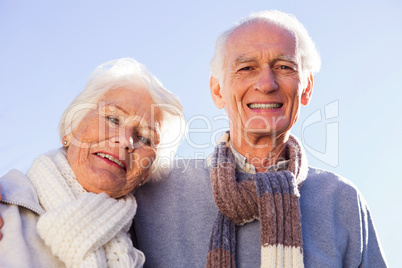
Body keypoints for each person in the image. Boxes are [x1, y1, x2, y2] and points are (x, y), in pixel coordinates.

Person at [132, 10, 388, 267]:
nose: (266, 84)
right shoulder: (154, 192)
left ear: (306, 88)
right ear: (218, 90)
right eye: (246, 68)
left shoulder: (343, 201)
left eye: (284, 67)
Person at [0, 58, 185, 267]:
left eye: (144, 138)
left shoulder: (141, 253)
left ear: (145, 173)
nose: (126, 140)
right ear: (72, 127)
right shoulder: (7, 203)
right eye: (113, 119)